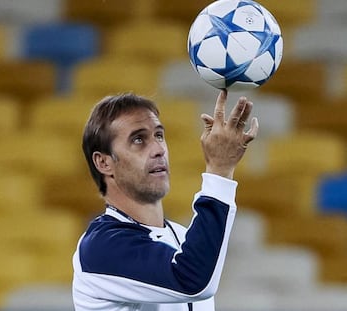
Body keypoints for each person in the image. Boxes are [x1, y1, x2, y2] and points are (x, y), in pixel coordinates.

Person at [72, 90, 258, 311]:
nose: (159, 149)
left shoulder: (182, 236)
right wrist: (220, 170)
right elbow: (191, 280)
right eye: (139, 139)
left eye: (159, 135)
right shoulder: (99, 247)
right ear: (104, 163)